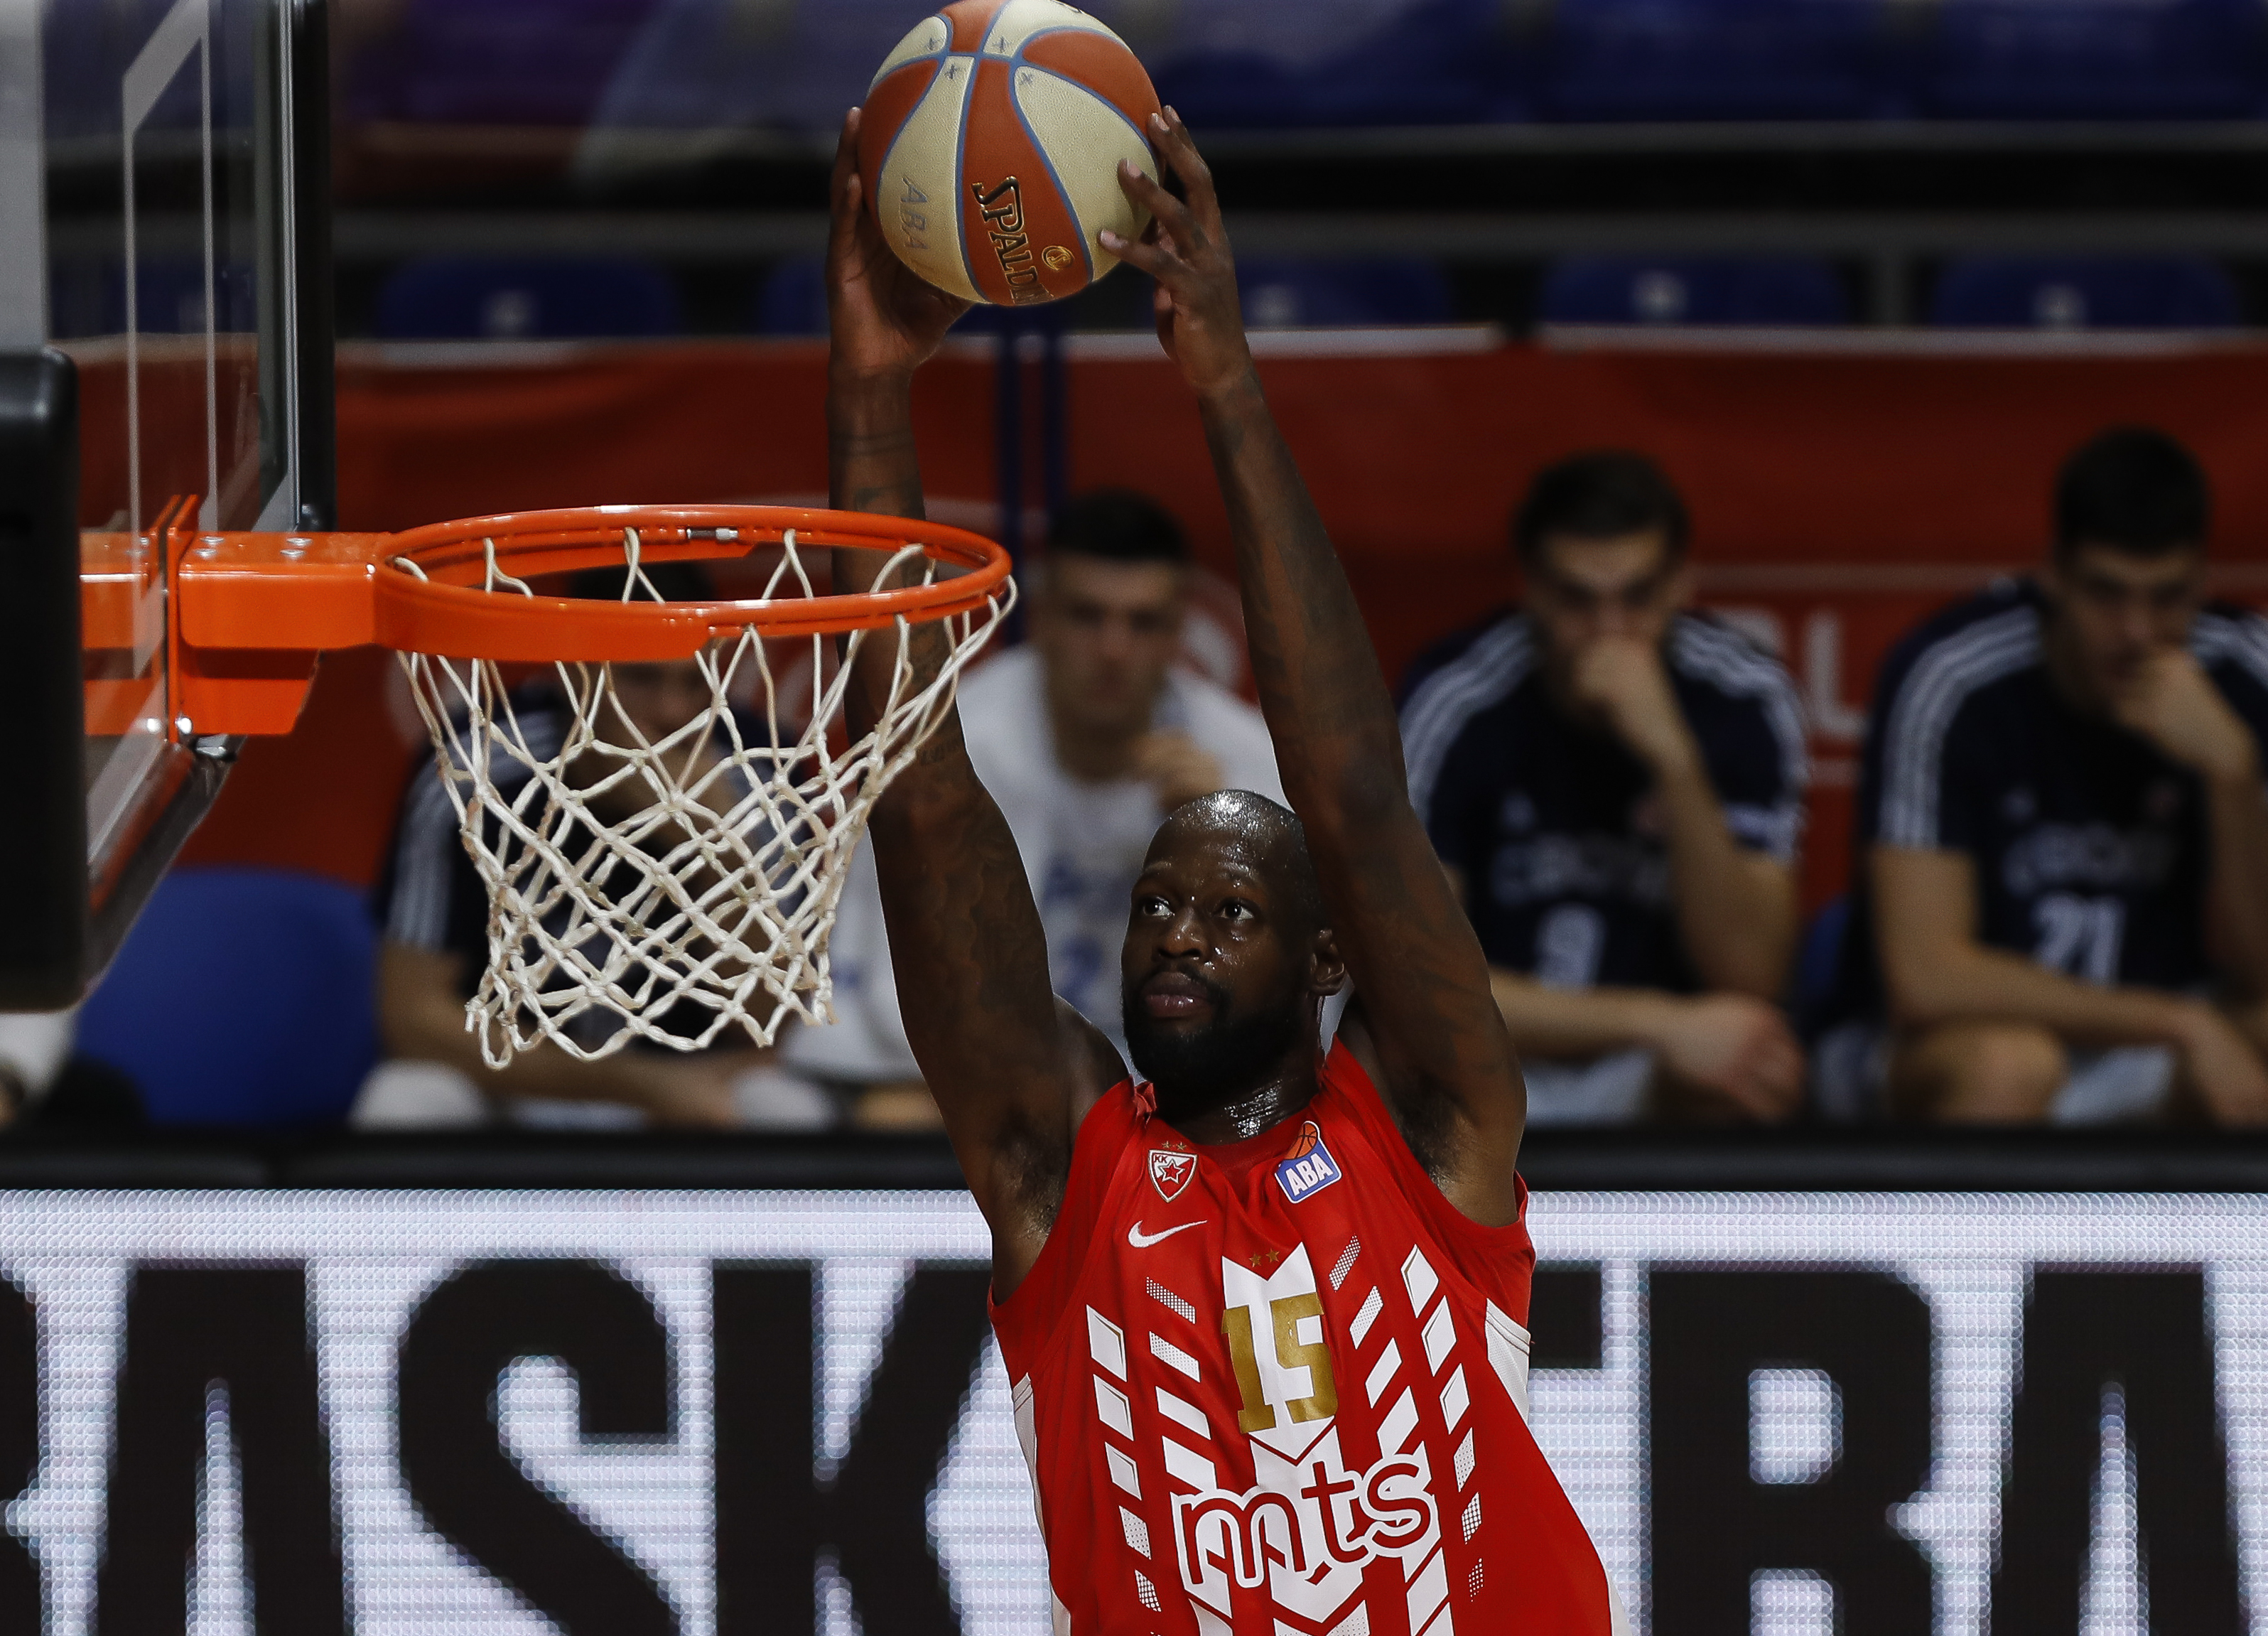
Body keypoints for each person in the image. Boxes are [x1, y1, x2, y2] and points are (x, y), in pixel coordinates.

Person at [821, 103, 1619, 1630]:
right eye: (1159, 904)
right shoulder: (1066, 1173)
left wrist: (1226, 385)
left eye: (1234, 907)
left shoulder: (1436, 1125)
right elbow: (920, 802)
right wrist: (871, 392)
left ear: (1331, 961)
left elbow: (1356, 799)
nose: (1177, 931)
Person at [787, 489, 1285, 1125]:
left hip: (1184, 1093)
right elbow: (902, 1002)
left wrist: (1226, 852)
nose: (1113, 649)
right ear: (1042, 618)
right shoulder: (951, 746)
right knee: (872, 1117)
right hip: (991, 1091)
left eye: (1143, 623)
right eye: (1087, 616)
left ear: (1177, 632)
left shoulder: (1242, 762)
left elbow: (1291, 1015)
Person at [1844, 426, 2268, 1124]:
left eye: (2167, 599)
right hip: (1946, 1044)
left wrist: (2234, 775)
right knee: (2011, 1066)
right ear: (2054, 575)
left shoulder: (2244, 676)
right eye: (2107, 594)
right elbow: (1927, 978)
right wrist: (2178, 1021)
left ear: (2202, 584)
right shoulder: (1954, 677)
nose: (2136, 632)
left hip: (2157, 1034)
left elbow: (2260, 973)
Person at [1398, 453, 1808, 1124]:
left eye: (1639, 597)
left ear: (1683, 583)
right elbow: (1416, 987)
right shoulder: (1457, 701)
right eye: (1577, 600)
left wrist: (1674, 760)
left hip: (1659, 1072)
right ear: (1530, 586)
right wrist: (1658, 1021)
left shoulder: (1743, 697)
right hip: (1493, 1052)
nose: (1609, 633)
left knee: (1750, 1071)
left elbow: (1751, 973)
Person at [357, 561, 831, 1130]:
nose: (674, 714)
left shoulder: (757, 775)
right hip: (517, 1073)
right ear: (571, 672)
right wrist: (639, 1086)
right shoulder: (478, 769)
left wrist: (711, 850)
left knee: (789, 1111)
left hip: (698, 1081)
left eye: (693, 684)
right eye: (642, 680)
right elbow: (410, 1018)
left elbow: (780, 1021)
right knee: (404, 1102)